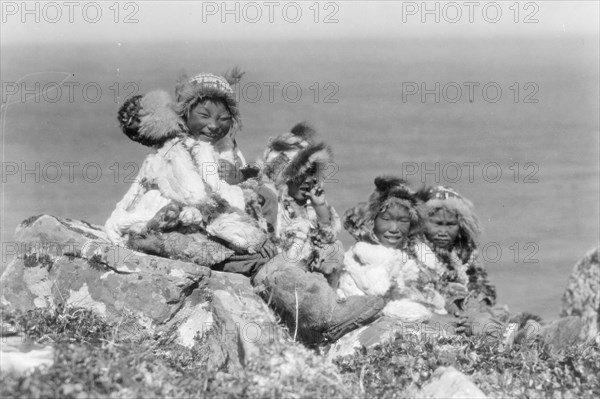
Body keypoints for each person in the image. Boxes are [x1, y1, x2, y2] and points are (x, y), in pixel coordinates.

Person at [105, 70, 273, 267]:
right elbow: (201, 200)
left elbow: (237, 186)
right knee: (249, 257)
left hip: (216, 220)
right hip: (183, 220)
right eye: (204, 115)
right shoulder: (179, 150)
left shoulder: (226, 148)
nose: (214, 125)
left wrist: (240, 177)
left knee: (266, 197)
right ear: (185, 113)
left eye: (224, 118)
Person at [252, 125, 384, 344]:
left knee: (334, 249)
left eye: (313, 175)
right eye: (299, 176)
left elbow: (327, 233)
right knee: (288, 277)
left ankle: (330, 306)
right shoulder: (269, 201)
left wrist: (321, 206)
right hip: (280, 268)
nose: (308, 182)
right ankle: (325, 318)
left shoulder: (308, 206)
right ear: (282, 177)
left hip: (309, 268)